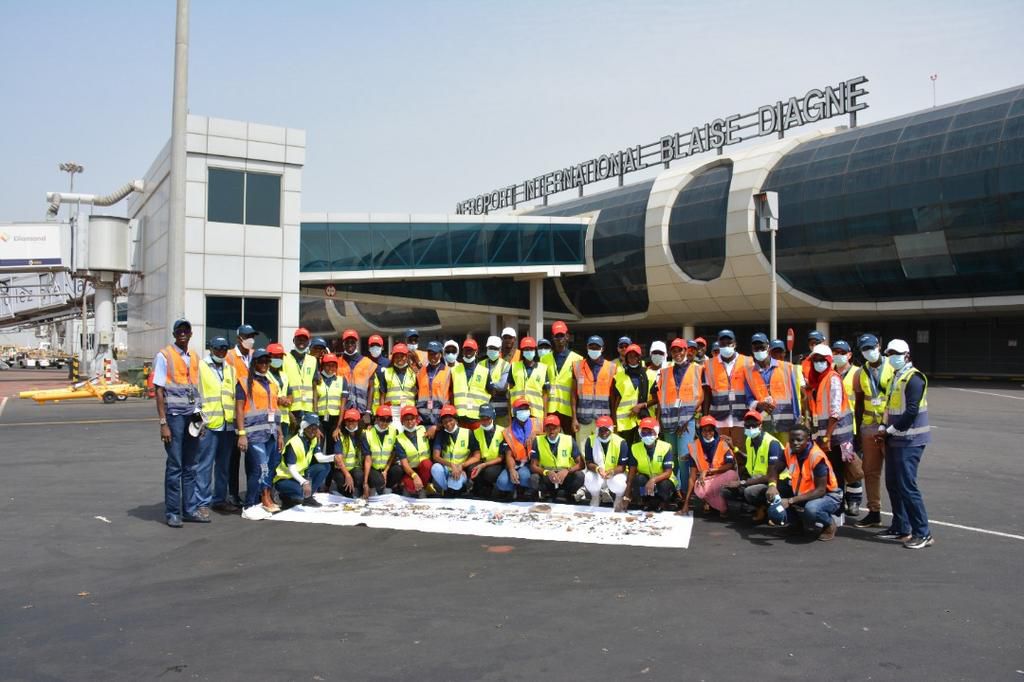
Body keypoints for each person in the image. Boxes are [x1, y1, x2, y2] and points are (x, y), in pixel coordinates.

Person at [875, 339, 933, 549]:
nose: (893, 357)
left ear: (907, 355)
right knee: (893, 484)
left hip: (910, 440)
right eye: (890, 354)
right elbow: (890, 407)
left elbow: (911, 411)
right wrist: (883, 427)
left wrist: (888, 431)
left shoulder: (914, 378)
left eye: (897, 354)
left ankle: (922, 532)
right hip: (895, 439)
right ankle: (901, 526)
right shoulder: (895, 378)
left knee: (908, 486)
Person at [154, 318, 203, 527]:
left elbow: (195, 387)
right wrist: (163, 422)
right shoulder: (164, 355)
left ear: (190, 334)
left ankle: (190, 509)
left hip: (192, 416)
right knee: (175, 465)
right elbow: (159, 390)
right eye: (179, 331)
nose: (183, 333)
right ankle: (173, 512)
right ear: (174, 334)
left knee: (191, 465)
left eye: (186, 330)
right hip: (174, 418)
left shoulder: (193, 357)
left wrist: (200, 419)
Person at [803, 343, 858, 518]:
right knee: (828, 473)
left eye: (821, 360)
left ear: (828, 361)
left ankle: (838, 509)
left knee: (837, 474)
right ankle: (834, 506)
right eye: (815, 360)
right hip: (824, 436)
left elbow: (835, 412)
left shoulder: (833, 378)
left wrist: (826, 437)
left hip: (836, 437)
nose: (818, 363)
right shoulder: (817, 380)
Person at [235, 348, 285, 520]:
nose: (265, 365)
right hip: (253, 434)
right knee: (259, 469)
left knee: (268, 469)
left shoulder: (271, 384)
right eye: (261, 361)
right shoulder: (244, 382)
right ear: (254, 363)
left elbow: (274, 410)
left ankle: (260, 502)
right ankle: (248, 505)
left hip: (270, 433)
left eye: (267, 362)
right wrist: (241, 434)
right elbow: (239, 409)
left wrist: (279, 433)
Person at [852, 333, 894, 528]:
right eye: (865, 349)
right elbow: (859, 404)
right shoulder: (860, 374)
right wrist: (858, 433)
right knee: (870, 472)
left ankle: (900, 517)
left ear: (879, 345)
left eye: (872, 347)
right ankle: (874, 511)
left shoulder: (894, 368)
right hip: (869, 428)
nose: (870, 352)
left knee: (894, 473)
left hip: (891, 428)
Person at [777, 423, 843, 541]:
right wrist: (771, 485)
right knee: (777, 489)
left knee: (811, 509)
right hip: (803, 493)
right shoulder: (788, 450)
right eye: (792, 440)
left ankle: (829, 524)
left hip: (828, 495)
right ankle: (796, 524)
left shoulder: (816, 457)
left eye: (799, 440)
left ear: (808, 439)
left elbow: (820, 490)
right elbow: (774, 470)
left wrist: (791, 500)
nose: (795, 443)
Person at [724, 411, 789, 522]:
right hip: (758, 479)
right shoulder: (750, 440)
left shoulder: (771, 443)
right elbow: (748, 460)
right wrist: (734, 448)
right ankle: (758, 506)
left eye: (753, 425)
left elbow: (770, 475)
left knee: (749, 492)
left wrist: (741, 483)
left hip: (777, 482)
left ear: (760, 425)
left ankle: (766, 509)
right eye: (747, 425)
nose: (750, 428)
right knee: (726, 490)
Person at [199, 337, 237, 516]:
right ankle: (202, 502)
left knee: (223, 466)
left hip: (227, 425)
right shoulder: (201, 367)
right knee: (205, 465)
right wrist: (198, 421)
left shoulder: (231, 369)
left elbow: (234, 396)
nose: (221, 351)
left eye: (224, 349)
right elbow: (197, 393)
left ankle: (220, 499)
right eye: (218, 348)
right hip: (209, 424)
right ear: (211, 348)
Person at [659, 338, 702, 495]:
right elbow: (660, 399)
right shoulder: (665, 372)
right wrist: (660, 422)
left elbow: (701, 397)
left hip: (687, 422)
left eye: (680, 350)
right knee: (671, 457)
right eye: (674, 351)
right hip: (668, 421)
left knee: (684, 457)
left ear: (686, 351)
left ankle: (685, 491)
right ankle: (673, 489)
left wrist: (688, 419)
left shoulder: (697, 369)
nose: (677, 353)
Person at [744, 332, 801, 444]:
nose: (759, 350)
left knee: (787, 456)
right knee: (768, 455)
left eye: (762, 347)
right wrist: (759, 404)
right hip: (764, 423)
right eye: (756, 348)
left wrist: (797, 421)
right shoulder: (748, 373)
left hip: (786, 423)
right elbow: (748, 400)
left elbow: (794, 398)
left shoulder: (786, 367)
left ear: (768, 347)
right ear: (752, 349)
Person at [681, 416, 737, 517]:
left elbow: (730, 465)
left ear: (714, 430)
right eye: (704, 430)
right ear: (700, 431)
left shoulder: (723, 442)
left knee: (732, 474)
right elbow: (692, 477)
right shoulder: (694, 446)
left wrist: (708, 471)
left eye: (710, 430)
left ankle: (712, 501)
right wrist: (686, 503)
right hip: (706, 480)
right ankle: (718, 504)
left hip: (720, 477)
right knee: (699, 491)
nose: (708, 433)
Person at [701, 329, 751, 445]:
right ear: (718, 344)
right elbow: (707, 392)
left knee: (740, 453)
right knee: (721, 454)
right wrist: (705, 416)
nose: (726, 346)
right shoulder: (709, 365)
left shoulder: (748, 362)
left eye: (729, 343)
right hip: (718, 418)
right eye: (723, 343)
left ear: (735, 344)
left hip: (741, 417)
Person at [832, 339, 864, 515]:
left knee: (851, 465)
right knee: (836, 467)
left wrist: (859, 430)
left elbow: (860, 404)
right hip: (834, 428)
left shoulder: (857, 374)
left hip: (850, 429)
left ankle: (854, 501)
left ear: (849, 355)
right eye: (835, 352)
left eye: (841, 352)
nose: (838, 356)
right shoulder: (829, 373)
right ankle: (839, 500)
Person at [273, 413, 331, 509]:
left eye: (316, 427)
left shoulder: (313, 439)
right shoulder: (294, 443)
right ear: (304, 426)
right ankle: (282, 494)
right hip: (285, 478)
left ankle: (308, 497)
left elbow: (320, 457)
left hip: (301, 474)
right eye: (310, 427)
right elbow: (291, 469)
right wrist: (304, 482)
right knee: (300, 492)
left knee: (325, 466)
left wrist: (334, 457)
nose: (313, 430)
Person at [622, 417, 676, 512]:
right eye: (644, 433)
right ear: (640, 433)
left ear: (656, 432)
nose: (647, 436)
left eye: (650, 432)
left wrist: (653, 480)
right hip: (646, 482)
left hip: (662, 480)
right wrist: (626, 496)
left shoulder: (666, 447)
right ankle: (646, 501)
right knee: (638, 479)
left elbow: (668, 472)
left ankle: (663, 502)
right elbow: (631, 473)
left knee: (664, 485)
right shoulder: (635, 448)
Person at [573, 335, 616, 450]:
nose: (594, 349)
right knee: (583, 451)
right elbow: (573, 394)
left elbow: (613, 396)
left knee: (602, 451)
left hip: (603, 419)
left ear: (602, 349)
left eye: (597, 347)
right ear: (587, 347)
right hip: (582, 419)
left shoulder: (611, 367)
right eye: (591, 347)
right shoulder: (577, 366)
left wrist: (613, 419)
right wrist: (574, 418)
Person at [529, 414, 584, 502]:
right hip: (547, 475)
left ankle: (567, 493)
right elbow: (533, 466)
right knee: (534, 478)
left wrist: (567, 471)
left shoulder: (569, 439)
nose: (551, 430)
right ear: (544, 429)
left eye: (554, 428)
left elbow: (581, 464)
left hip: (564, 475)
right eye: (548, 428)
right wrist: (547, 472)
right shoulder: (538, 440)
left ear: (559, 428)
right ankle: (546, 493)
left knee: (580, 476)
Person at [431, 404, 481, 496]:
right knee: (435, 468)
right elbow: (436, 456)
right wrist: (451, 465)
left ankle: (457, 488)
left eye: (450, 420)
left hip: (460, 470)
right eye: (445, 422)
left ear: (456, 420)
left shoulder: (468, 433)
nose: (448, 424)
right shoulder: (441, 434)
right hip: (446, 469)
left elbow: (477, 456)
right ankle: (446, 490)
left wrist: (462, 466)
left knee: (455, 484)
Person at [542, 321, 583, 433]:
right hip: (551, 408)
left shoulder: (578, 359)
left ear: (567, 337)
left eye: (562, 335)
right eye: (557, 336)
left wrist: (576, 415)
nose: (559, 338)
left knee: (569, 442)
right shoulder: (544, 359)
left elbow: (580, 389)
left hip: (569, 411)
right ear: (553, 338)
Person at [613, 343, 657, 444]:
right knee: (625, 450)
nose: (632, 358)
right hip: (624, 421)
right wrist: (614, 423)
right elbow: (614, 401)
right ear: (626, 357)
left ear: (639, 357)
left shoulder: (649, 374)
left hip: (644, 418)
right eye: (630, 356)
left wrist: (642, 405)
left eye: (635, 355)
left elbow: (657, 398)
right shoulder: (619, 376)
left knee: (641, 448)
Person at [582, 416, 629, 507]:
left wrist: (612, 471)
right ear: (597, 430)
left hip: (614, 475)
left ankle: (618, 498)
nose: (603, 433)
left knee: (619, 482)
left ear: (611, 429)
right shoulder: (590, 440)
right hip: (599, 474)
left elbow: (622, 466)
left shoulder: (621, 442)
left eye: (606, 430)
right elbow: (588, 462)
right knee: (589, 477)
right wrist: (598, 469)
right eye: (601, 430)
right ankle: (595, 497)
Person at [495, 398, 537, 500]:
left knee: (524, 477)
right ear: (514, 412)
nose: (524, 411)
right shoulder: (508, 431)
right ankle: (514, 490)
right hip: (518, 463)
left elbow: (551, 434)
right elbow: (508, 455)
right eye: (521, 409)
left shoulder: (537, 424)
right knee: (502, 482)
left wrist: (536, 435)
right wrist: (512, 469)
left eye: (526, 408)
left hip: (533, 464)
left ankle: (529, 491)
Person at [508, 336, 550, 431]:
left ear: (535, 350)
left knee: (535, 443)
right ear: (522, 351)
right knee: (518, 442)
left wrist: (545, 417)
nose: (528, 351)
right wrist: (510, 418)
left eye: (531, 349)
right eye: (526, 349)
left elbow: (545, 395)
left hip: (536, 414)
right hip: (517, 413)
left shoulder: (543, 368)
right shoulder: (514, 367)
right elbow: (509, 394)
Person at [282, 328, 317, 433]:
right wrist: (288, 411)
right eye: (299, 339)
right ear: (294, 340)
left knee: (305, 443)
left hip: (308, 410)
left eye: (304, 339)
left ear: (308, 342)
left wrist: (315, 411)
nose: (301, 341)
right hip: (291, 409)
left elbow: (314, 386)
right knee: (290, 442)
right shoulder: (285, 358)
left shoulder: (313, 360)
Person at [394, 405, 432, 498]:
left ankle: (423, 488)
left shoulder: (423, 429)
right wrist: (414, 475)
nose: (410, 422)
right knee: (411, 486)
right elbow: (404, 463)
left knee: (427, 464)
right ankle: (415, 488)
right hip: (410, 471)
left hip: (424, 469)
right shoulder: (399, 439)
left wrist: (435, 428)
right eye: (406, 419)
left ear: (416, 419)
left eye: (412, 418)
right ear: (402, 421)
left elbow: (437, 428)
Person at [338, 329, 377, 418]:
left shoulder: (368, 363)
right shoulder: (337, 363)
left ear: (356, 343)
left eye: (352, 342)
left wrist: (368, 410)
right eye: (347, 342)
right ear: (343, 343)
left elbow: (371, 388)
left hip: (361, 411)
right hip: (343, 411)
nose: (350, 344)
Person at [416, 340, 451, 439]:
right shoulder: (420, 372)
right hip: (422, 423)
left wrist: (438, 425)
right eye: (430, 353)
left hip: (441, 423)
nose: (432, 356)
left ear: (440, 354)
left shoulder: (448, 372)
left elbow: (451, 399)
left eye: (435, 354)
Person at [363, 405, 402, 497]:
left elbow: (393, 453)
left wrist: (386, 470)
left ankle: (387, 488)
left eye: (388, 420)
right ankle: (376, 487)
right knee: (378, 481)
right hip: (374, 468)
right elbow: (367, 460)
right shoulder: (367, 434)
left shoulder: (394, 432)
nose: (384, 423)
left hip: (385, 468)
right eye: (382, 419)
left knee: (398, 470)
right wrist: (365, 483)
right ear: (376, 419)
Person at [470, 404, 507, 499]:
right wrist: (480, 464)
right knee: (471, 469)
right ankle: (480, 489)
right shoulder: (475, 432)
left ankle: (492, 489)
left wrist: (484, 465)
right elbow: (476, 453)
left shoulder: (503, 431)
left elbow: (501, 457)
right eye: (482, 418)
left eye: (487, 418)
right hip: (481, 461)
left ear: (493, 417)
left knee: (488, 473)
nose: (485, 421)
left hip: (497, 463)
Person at [331, 408, 370, 498]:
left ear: (358, 421)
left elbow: (368, 457)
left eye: (353, 421)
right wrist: (347, 475)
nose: (350, 423)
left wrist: (365, 483)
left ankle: (358, 491)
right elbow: (338, 458)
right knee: (341, 479)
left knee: (359, 476)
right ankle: (342, 492)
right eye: (348, 420)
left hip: (355, 468)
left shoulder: (363, 435)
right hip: (341, 469)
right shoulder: (339, 435)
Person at [451, 338, 489, 428]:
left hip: (478, 419)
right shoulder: (454, 370)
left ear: (476, 351)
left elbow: (492, 392)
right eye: (466, 349)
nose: (468, 352)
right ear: (462, 351)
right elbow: (451, 394)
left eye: (471, 350)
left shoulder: (484, 371)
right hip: (460, 419)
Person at [375, 343, 417, 422]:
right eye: (397, 356)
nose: (399, 359)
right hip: (392, 410)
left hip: (409, 411)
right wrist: (382, 414)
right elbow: (382, 396)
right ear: (393, 358)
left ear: (407, 357)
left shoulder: (413, 373)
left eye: (402, 356)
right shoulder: (386, 372)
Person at [316, 353, 347, 456]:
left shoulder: (342, 380)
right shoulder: (317, 380)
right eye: (328, 365)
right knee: (317, 449)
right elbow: (314, 403)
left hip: (335, 421)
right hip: (319, 420)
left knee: (332, 450)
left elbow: (343, 405)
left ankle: (331, 471)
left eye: (333, 365)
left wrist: (338, 427)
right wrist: (316, 425)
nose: (330, 368)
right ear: (323, 366)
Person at [481, 335, 513, 425]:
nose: (492, 350)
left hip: (501, 411)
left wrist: (487, 386)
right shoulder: (480, 365)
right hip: (484, 411)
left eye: (495, 348)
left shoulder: (505, 365)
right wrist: (493, 386)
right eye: (490, 348)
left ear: (499, 349)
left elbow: (503, 386)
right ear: (487, 348)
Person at [266, 343, 293, 439]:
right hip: (270, 419)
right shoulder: (265, 375)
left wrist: (288, 400)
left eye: (280, 356)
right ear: (268, 356)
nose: (279, 359)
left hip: (284, 419)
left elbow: (289, 392)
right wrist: (279, 400)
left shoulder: (284, 375)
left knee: (280, 450)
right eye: (275, 356)